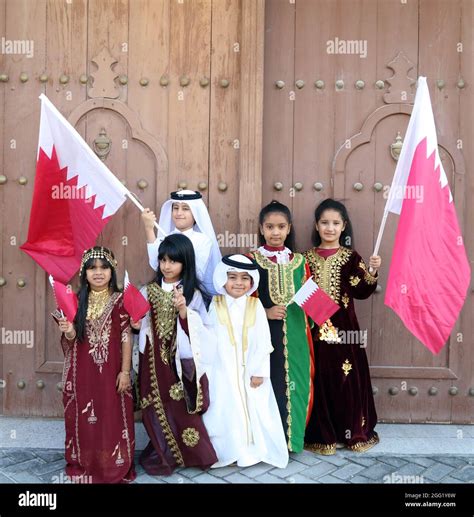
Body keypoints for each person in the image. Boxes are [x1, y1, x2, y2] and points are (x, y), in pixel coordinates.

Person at [303, 198, 381, 455]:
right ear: (316, 225)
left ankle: (350, 431)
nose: (330, 227)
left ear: (343, 226)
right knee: (320, 379)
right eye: (324, 222)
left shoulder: (350, 258)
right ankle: (322, 435)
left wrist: (371, 272)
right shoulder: (303, 259)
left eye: (335, 223)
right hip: (314, 330)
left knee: (345, 379)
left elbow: (362, 291)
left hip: (345, 332)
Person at [137, 233, 217, 475]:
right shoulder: (147, 291)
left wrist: (184, 311)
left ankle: (197, 454)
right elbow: (139, 324)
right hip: (151, 360)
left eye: (173, 261)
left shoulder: (193, 294)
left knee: (181, 408)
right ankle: (163, 452)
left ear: (186, 263)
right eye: (163, 260)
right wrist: (134, 323)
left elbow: (204, 331)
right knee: (153, 405)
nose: (167, 266)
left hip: (179, 363)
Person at [56, 246, 136, 483]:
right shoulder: (74, 301)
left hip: (113, 371)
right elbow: (72, 340)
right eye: (92, 268)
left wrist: (124, 371)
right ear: (84, 273)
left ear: (112, 271)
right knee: (85, 418)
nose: (98, 273)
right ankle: (86, 464)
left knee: (112, 416)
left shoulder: (121, 300)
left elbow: (126, 336)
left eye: (104, 268)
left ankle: (114, 465)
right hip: (84, 373)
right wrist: (69, 330)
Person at [203, 254, 289, 468]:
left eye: (244, 278)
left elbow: (263, 340)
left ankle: (250, 451)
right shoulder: (215, 303)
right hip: (222, 372)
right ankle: (226, 451)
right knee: (224, 409)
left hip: (251, 372)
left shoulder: (255, 305)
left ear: (252, 281)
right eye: (232, 277)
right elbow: (208, 338)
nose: (238, 283)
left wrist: (260, 371)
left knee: (254, 408)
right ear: (223, 279)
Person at [249, 201, 314, 453]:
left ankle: (293, 441)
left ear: (289, 229)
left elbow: (311, 297)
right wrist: (264, 312)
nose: (275, 232)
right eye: (269, 227)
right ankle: (268, 444)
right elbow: (240, 300)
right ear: (261, 229)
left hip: (297, 334)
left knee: (296, 383)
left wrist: (326, 322)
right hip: (263, 336)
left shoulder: (300, 262)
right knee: (267, 384)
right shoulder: (251, 260)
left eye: (281, 227)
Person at [141, 190, 221, 296]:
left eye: (185, 208)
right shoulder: (166, 237)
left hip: (191, 296)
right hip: (164, 293)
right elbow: (156, 265)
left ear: (195, 213)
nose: (179, 213)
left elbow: (197, 273)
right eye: (175, 208)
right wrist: (149, 229)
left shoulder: (203, 240)